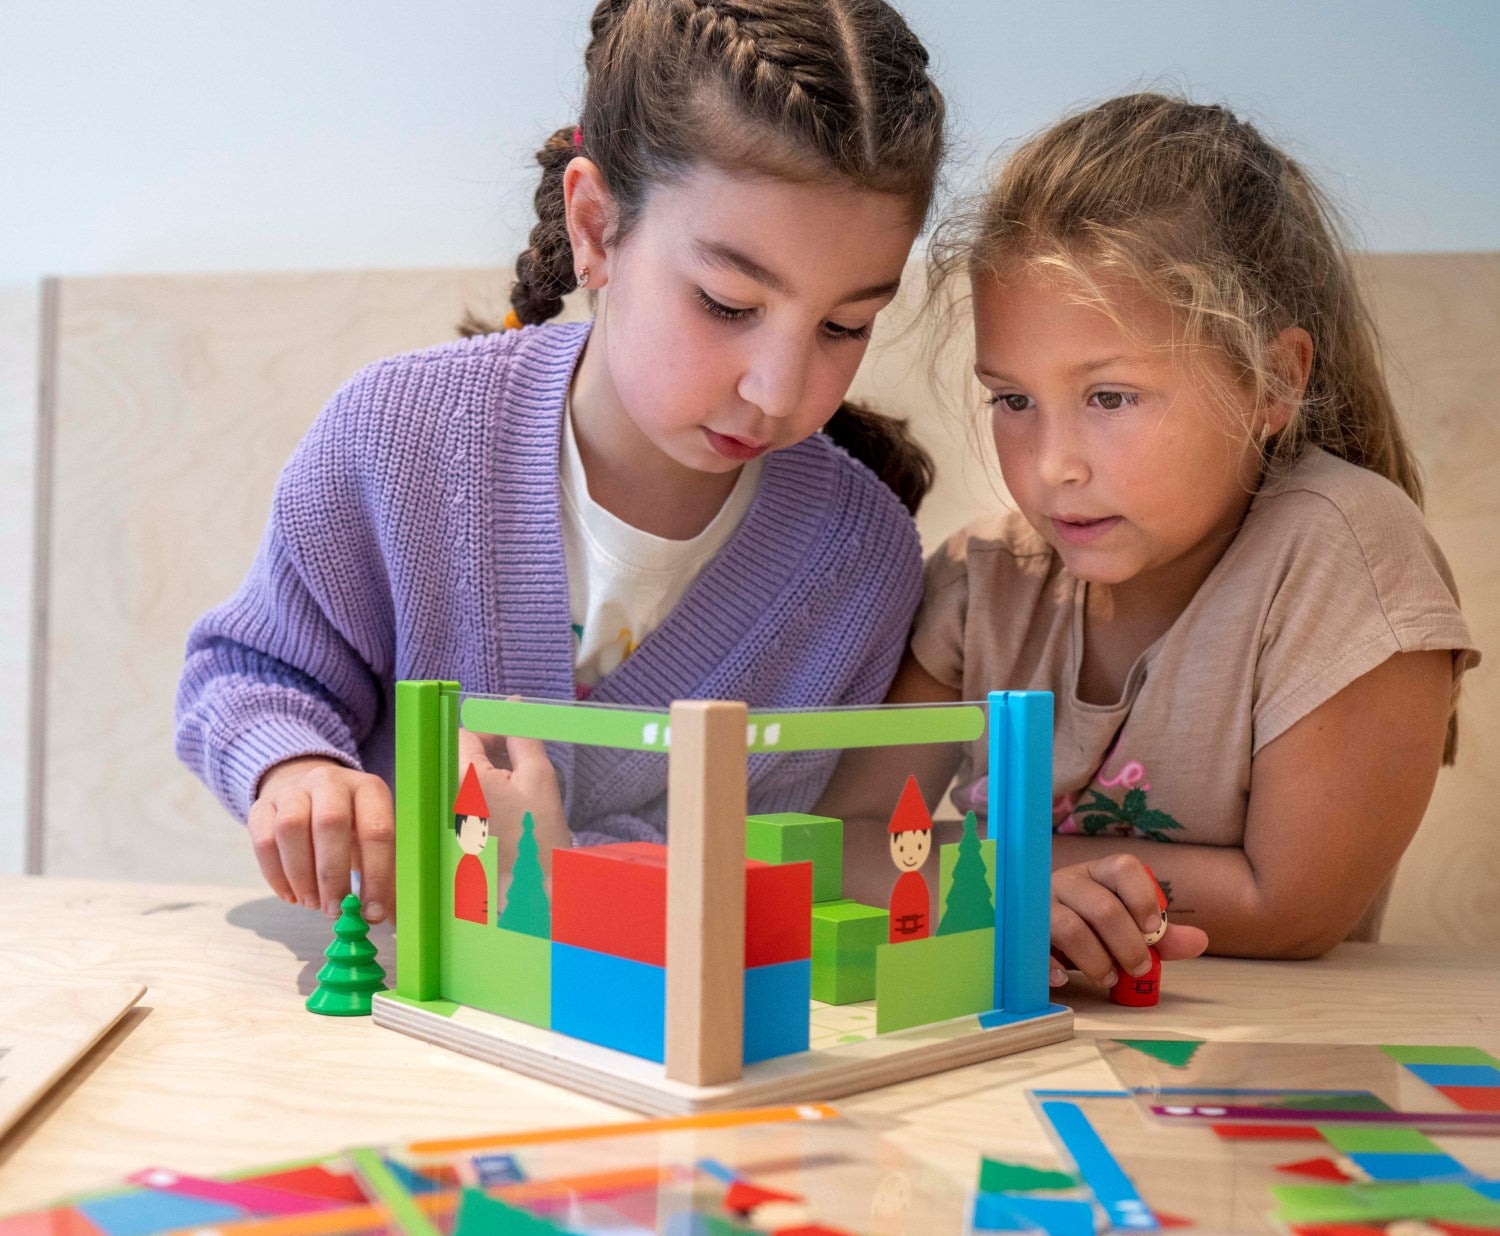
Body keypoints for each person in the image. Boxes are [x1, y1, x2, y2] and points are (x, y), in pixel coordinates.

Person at [175, 0, 947, 925]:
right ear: (594, 226)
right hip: (386, 990)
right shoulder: (397, 437)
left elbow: (766, 866)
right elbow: (253, 672)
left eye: (845, 326)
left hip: (653, 1010)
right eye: (728, 303)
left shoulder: (859, 563)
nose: (779, 390)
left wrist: (560, 875)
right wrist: (297, 769)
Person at [823, 94, 1478, 989]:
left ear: (1272, 382)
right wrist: (1024, 898)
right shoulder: (981, 585)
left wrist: (1000, 885)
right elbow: (839, 841)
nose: (1052, 465)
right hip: (1027, 1047)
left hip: (1265, 1055)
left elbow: (1290, 907)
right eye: (1013, 400)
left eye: (1110, 397)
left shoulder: (1346, 554)